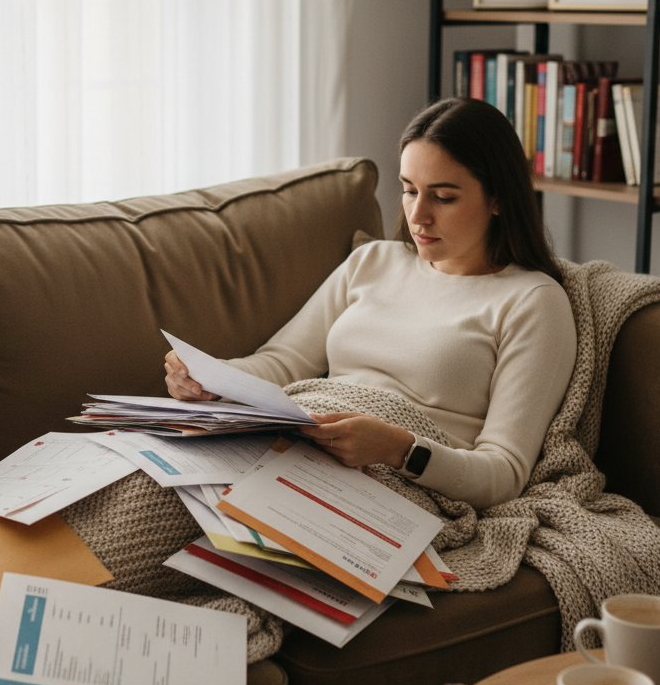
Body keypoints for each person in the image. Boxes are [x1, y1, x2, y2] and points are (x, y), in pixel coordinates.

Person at [164, 97, 577, 512]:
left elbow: (503, 473)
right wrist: (209, 380)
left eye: (444, 197)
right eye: (409, 190)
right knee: (161, 485)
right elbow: (281, 362)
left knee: (194, 511)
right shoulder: (373, 261)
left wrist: (398, 448)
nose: (418, 215)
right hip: (301, 445)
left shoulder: (532, 301)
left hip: (395, 483)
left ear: (498, 199)